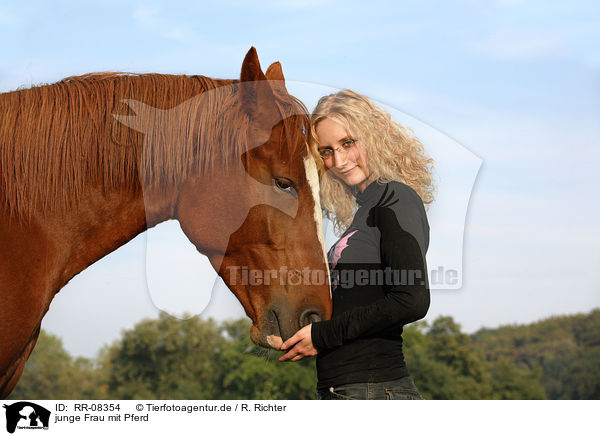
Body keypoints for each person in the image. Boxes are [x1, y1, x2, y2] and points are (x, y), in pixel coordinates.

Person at [278, 89, 434, 400]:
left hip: (374, 391)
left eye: (347, 143)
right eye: (326, 151)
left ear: (372, 136)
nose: (338, 160)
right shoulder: (365, 209)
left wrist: (322, 336)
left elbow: (411, 300)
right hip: (348, 390)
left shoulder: (395, 198)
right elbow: (358, 302)